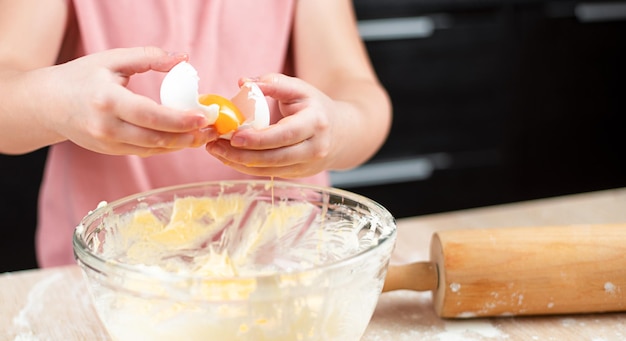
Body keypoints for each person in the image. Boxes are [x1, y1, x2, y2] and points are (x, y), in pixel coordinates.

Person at [0, 0, 392, 268]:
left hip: (281, 268)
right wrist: (56, 103)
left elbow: (356, 90)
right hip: (105, 276)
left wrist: (337, 130)